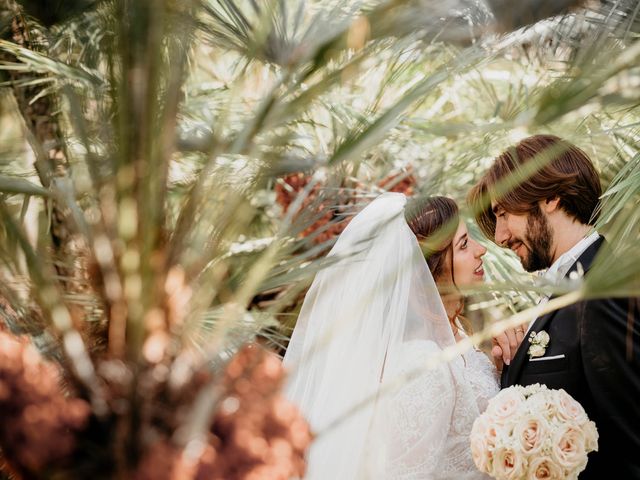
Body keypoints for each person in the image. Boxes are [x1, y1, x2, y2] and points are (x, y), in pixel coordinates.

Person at [283, 192, 499, 479]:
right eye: (463, 245)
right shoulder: (423, 364)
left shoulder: (452, 333)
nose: (480, 249)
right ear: (430, 270)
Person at [469, 134, 640, 479]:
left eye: (503, 213)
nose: (500, 237)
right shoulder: (565, 290)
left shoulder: (601, 293)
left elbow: (632, 444)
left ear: (549, 196)